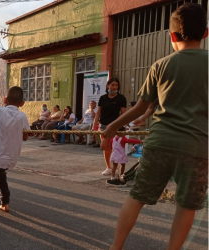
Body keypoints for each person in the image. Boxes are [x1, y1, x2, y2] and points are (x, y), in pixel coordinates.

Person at [103, 4, 208, 250]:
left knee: (137, 196)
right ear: (205, 33)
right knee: (187, 203)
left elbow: (140, 107)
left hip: (159, 143)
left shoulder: (160, 65)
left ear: (172, 36)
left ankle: (115, 247)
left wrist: (112, 128)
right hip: (197, 148)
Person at [93, 78, 127, 176]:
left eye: (116, 85)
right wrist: (94, 124)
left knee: (105, 145)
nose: (114, 87)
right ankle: (109, 167)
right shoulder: (103, 98)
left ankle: (118, 160)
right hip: (103, 125)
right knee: (106, 148)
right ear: (108, 85)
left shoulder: (121, 98)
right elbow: (98, 112)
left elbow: (123, 113)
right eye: (112, 85)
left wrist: (114, 124)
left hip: (114, 127)